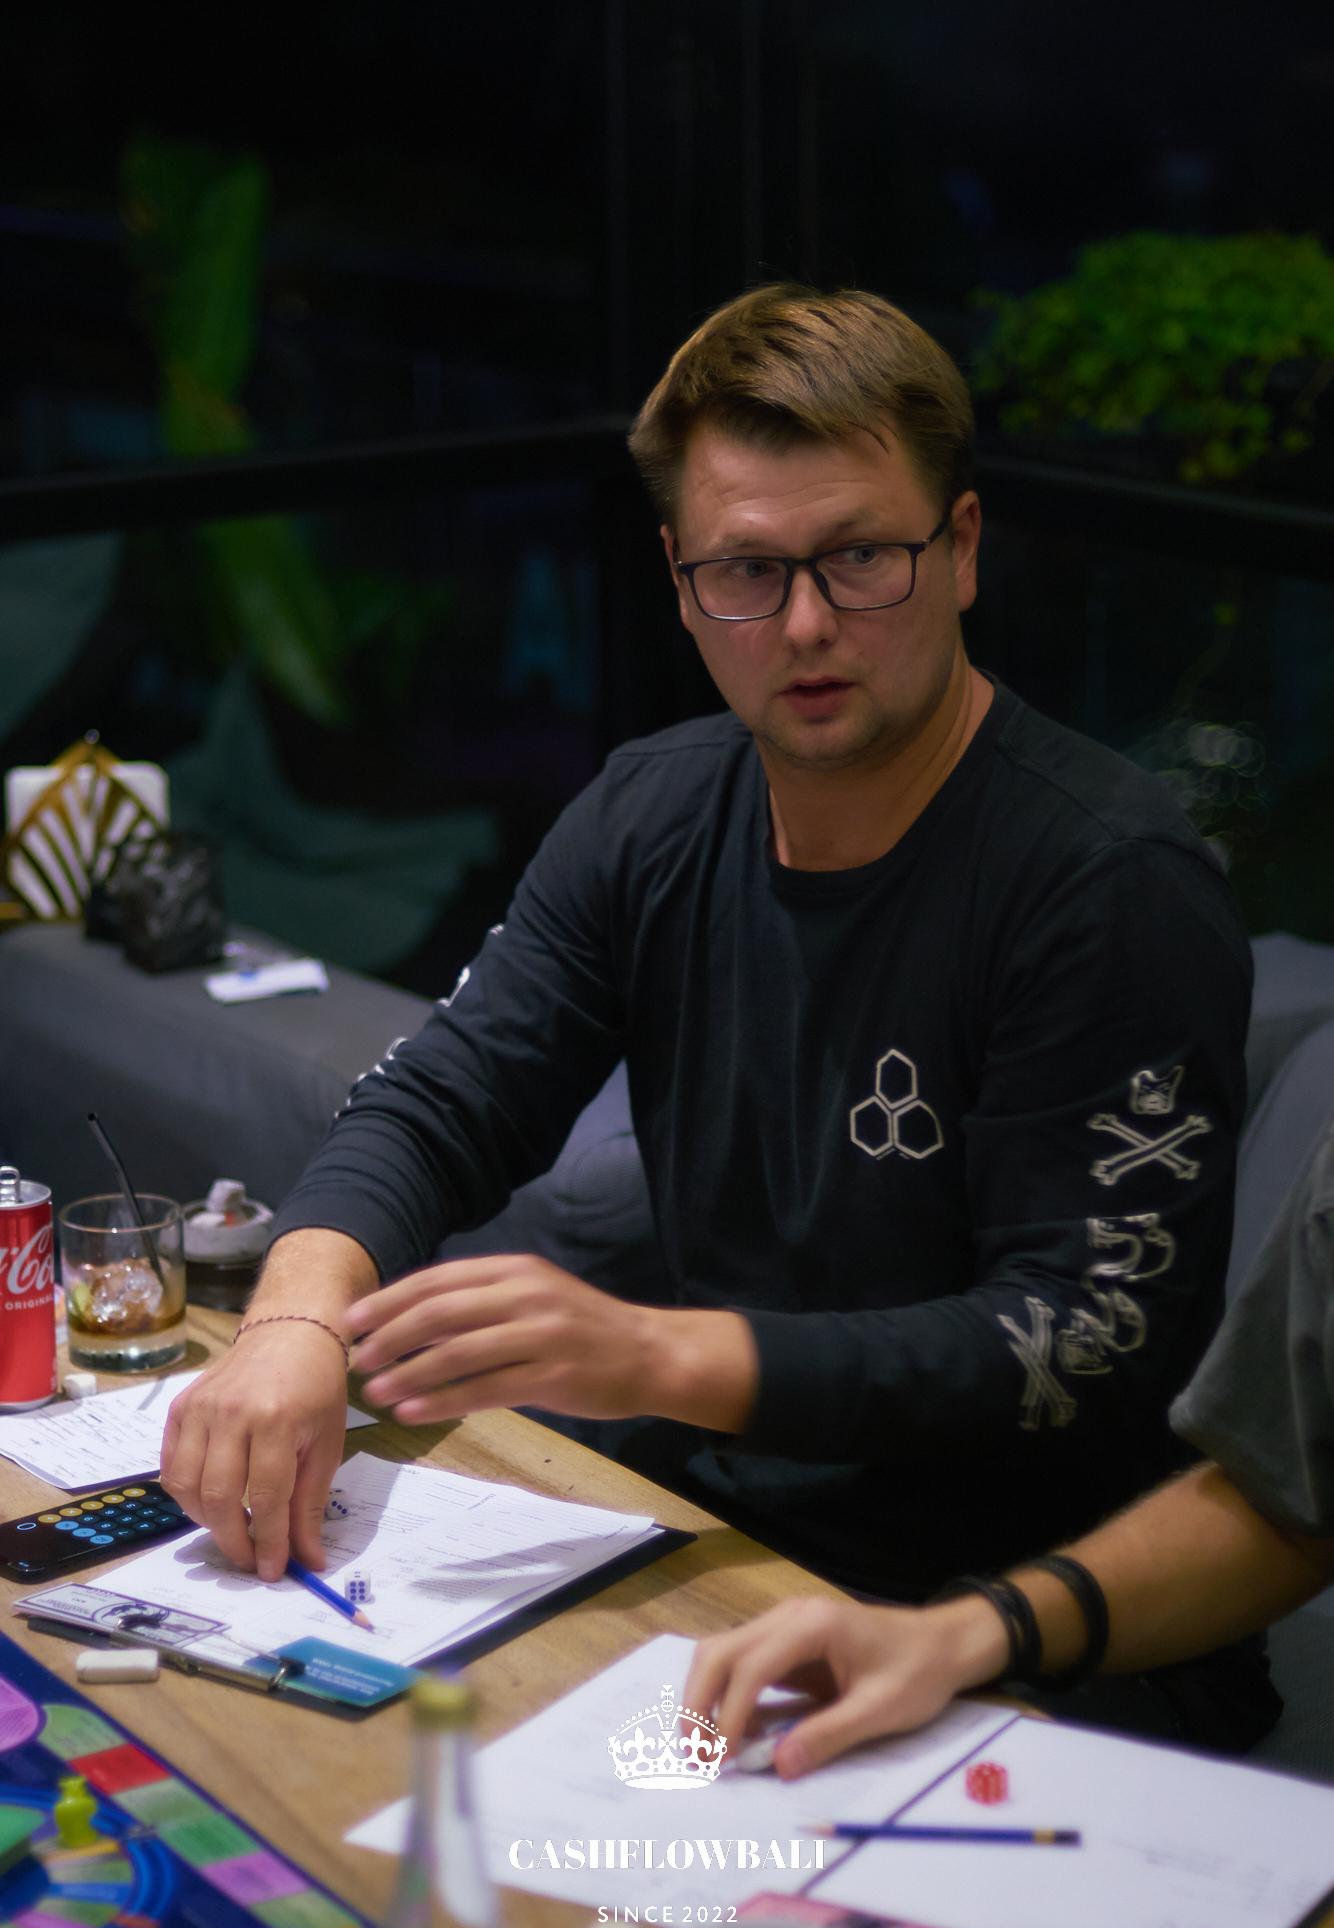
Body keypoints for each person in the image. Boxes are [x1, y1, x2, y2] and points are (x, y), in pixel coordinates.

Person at [161, 283, 1263, 1735]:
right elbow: (445, 1093)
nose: (804, 623)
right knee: (316, 1765)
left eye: (859, 557)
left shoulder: (1107, 880)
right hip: (729, 1548)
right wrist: (293, 1319)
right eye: (745, 570)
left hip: (1028, 1642)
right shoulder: (651, 811)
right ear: (681, 583)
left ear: (961, 548)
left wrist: (652, 1353)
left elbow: (1071, 1346)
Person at [685, 1105, 1334, 1767]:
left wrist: (673, 1358)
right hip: (820, 1555)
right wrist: (959, 1636)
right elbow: (1282, 1502)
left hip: (1097, 1645)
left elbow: (1078, 1327)